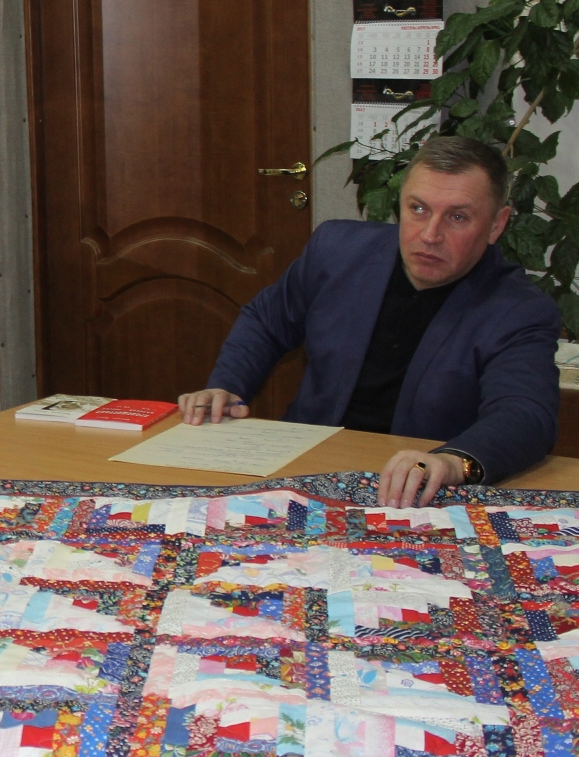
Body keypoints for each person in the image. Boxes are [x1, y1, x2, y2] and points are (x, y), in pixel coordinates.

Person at [178, 135, 559, 509]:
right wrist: (227, 385)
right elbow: (266, 321)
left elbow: (525, 414)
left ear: (496, 225)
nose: (430, 235)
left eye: (457, 217)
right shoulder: (337, 250)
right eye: (418, 209)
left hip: (421, 491)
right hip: (305, 467)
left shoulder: (518, 310)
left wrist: (452, 461)